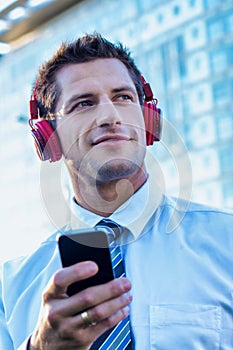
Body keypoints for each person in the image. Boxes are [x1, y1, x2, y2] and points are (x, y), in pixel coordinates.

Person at [1, 33, 233, 350]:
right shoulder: (10, 288)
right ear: (48, 137)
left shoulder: (226, 241)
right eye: (83, 103)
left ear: (149, 120)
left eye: (123, 97)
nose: (110, 116)